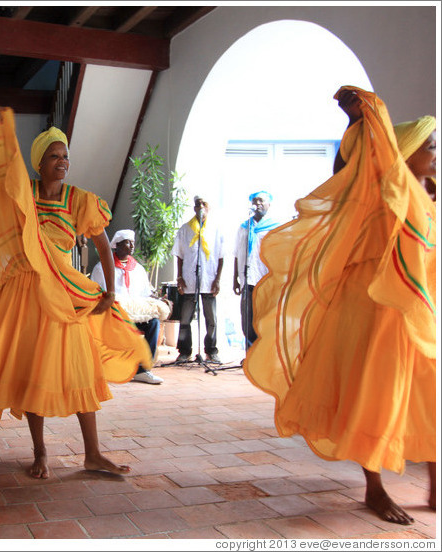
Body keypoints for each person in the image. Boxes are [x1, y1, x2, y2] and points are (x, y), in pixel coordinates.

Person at [0, 108, 153, 479]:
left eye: (65, 155)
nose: (62, 162)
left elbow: (103, 245)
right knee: (29, 371)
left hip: (63, 295)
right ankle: (40, 453)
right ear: (39, 162)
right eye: (54, 156)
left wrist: (109, 290)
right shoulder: (24, 194)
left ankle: (93, 453)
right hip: (23, 294)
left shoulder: (78, 200)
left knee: (78, 371)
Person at [246, 86, 436, 525]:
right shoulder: (383, 189)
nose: (435, 152)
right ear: (402, 154)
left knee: (428, 398)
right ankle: (375, 489)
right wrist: (358, 122)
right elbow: (345, 169)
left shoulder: (427, 195)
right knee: (374, 396)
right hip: (373, 309)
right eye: (428, 146)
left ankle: (435, 488)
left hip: (418, 313)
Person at [90, 229, 168, 384]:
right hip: (116, 315)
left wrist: (158, 299)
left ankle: (143, 370)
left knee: (153, 323)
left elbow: (146, 293)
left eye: (132, 242)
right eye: (127, 242)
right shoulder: (102, 268)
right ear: (116, 245)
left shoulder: (138, 268)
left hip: (137, 314)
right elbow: (99, 293)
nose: (131, 246)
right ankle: (111, 368)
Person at [171, 196, 225, 364]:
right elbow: (179, 255)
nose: (200, 207)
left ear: (208, 208)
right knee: (185, 319)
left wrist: (217, 279)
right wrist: (179, 277)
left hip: (209, 279)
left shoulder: (215, 229)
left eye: (204, 204)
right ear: (194, 208)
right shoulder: (185, 229)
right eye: (197, 205)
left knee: (211, 319)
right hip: (189, 280)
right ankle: (184, 352)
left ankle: (211, 351)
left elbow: (221, 256)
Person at [232, 191, 281, 350]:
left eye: (261, 200)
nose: (258, 203)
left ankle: (264, 352)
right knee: (247, 318)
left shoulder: (275, 228)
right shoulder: (244, 227)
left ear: (269, 204)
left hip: (266, 279)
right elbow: (237, 254)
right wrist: (235, 279)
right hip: (248, 279)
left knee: (265, 316)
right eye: (255, 201)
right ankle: (250, 352)